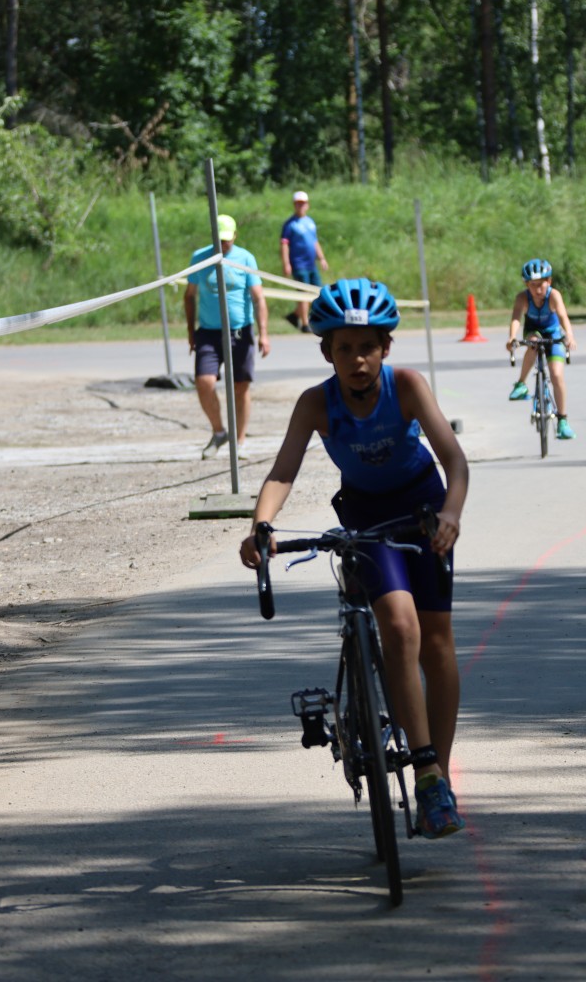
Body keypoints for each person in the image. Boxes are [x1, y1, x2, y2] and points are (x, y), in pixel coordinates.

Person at [239, 278, 470, 839]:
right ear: (327, 352)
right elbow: (283, 471)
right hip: (366, 517)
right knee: (399, 624)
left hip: (423, 510)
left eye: (368, 347)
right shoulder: (316, 403)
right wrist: (261, 525)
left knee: (437, 641)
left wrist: (451, 514)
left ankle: (435, 781)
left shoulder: (407, 386)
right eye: (345, 348)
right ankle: (425, 766)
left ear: (386, 347)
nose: (358, 359)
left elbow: (455, 461)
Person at [185, 214, 269, 459]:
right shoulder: (199, 257)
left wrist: (264, 333)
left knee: (240, 387)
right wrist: (190, 331)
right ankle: (219, 432)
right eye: (219, 240)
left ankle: (240, 441)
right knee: (204, 382)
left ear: (235, 236)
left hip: (240, 331)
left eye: (227, 240)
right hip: (208, 333)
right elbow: (189, 296)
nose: (223, 244)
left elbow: (258, 298)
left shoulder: (245, 258)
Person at [506, 257, 578, 440]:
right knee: (533, 343)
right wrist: (512, 337)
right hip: (534, 332)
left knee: (557, 375)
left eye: (541, 285)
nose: (538, 290)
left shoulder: (554, 296)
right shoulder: (523, 298)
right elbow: (516, 318)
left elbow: (563, 316)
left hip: (553, 333)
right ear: (526, 285)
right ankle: (521, 384)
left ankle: (562, 420)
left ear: (549, 281)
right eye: (533, 285)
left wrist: (569, 335)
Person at [280, 191, 328, 332]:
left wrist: (322, 258)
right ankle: (305, 323)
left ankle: (295, 315)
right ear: (294, 205)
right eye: (298, 203)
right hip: (299, 264)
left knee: (317, 292)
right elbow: (284, 244)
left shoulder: (310, 222)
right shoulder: (290, 224)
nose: (301, 206)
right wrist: (286, 263)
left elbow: (314, 242)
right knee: (304, 293)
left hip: (311, 264)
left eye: (303, 203)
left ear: (307, 205)